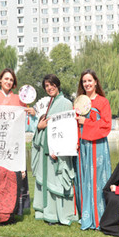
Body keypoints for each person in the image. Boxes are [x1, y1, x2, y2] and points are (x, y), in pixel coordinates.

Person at [0, 68, 35, 213]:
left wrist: (32, 113)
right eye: (6, 79)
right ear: (0, 80)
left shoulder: (20, 100)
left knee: (16, 174)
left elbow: (27, 123)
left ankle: (17, 208)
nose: (8, 82)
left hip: (14, 143)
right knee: (1, 174)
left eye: (11, 79)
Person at [31, 74, 77, 226]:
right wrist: (39, 127)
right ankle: (48, 212)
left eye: (52, 84)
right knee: (47, 180)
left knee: (57, 181)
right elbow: (42, 124)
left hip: (58, 151)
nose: (49, 88)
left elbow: (68, 129)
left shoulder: (66, 103)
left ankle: (59, 214)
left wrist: (58, 149)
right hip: (46, 148)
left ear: (57, 85)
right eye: (46, 86)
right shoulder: (48, 103)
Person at [74, 69, 112, 230]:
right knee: (84, 177)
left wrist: (86, 123)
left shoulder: (103, 102)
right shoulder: (78, 102)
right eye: (84, 81)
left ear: (96, 82)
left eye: (90, 80)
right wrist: (75, 140)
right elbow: (74, 124)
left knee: (97, 178)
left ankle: (99, 215)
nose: (87, 84)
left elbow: (106, 125)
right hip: (82, 145)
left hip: (97, 145)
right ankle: (85, 213)